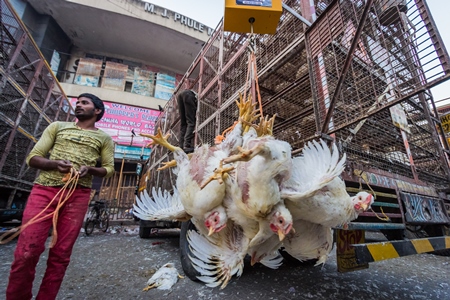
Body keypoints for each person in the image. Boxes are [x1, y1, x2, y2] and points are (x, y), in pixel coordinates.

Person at [6, 93, 115, 300]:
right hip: (44, 190)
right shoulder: (57, 127)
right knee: (26, 253)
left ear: (97, 111)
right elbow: (33, 158)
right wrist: (55, 164)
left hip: (78, 195)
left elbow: (109, 169)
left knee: (61, 255)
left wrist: (89, 169)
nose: (79, 105)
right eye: (78, 102)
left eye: (85, 103)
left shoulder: (104, 138)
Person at [177, 89, 198, 153]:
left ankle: (181, 147)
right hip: (188, 95)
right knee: (191, 122)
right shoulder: (195, 97)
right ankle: (186, 145)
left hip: (180, 96)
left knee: (183, 124)